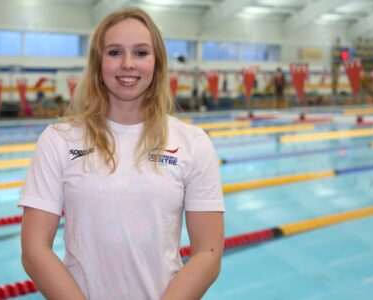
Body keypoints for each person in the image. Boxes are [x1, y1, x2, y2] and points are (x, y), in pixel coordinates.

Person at [19, 7, 225, 300]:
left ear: (157, 62)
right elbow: (34, 249)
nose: (128, 64)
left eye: (141, 53)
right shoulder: (59, 140)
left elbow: (209, 252)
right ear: (98, 63)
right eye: (114, 52)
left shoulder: (193, 142)